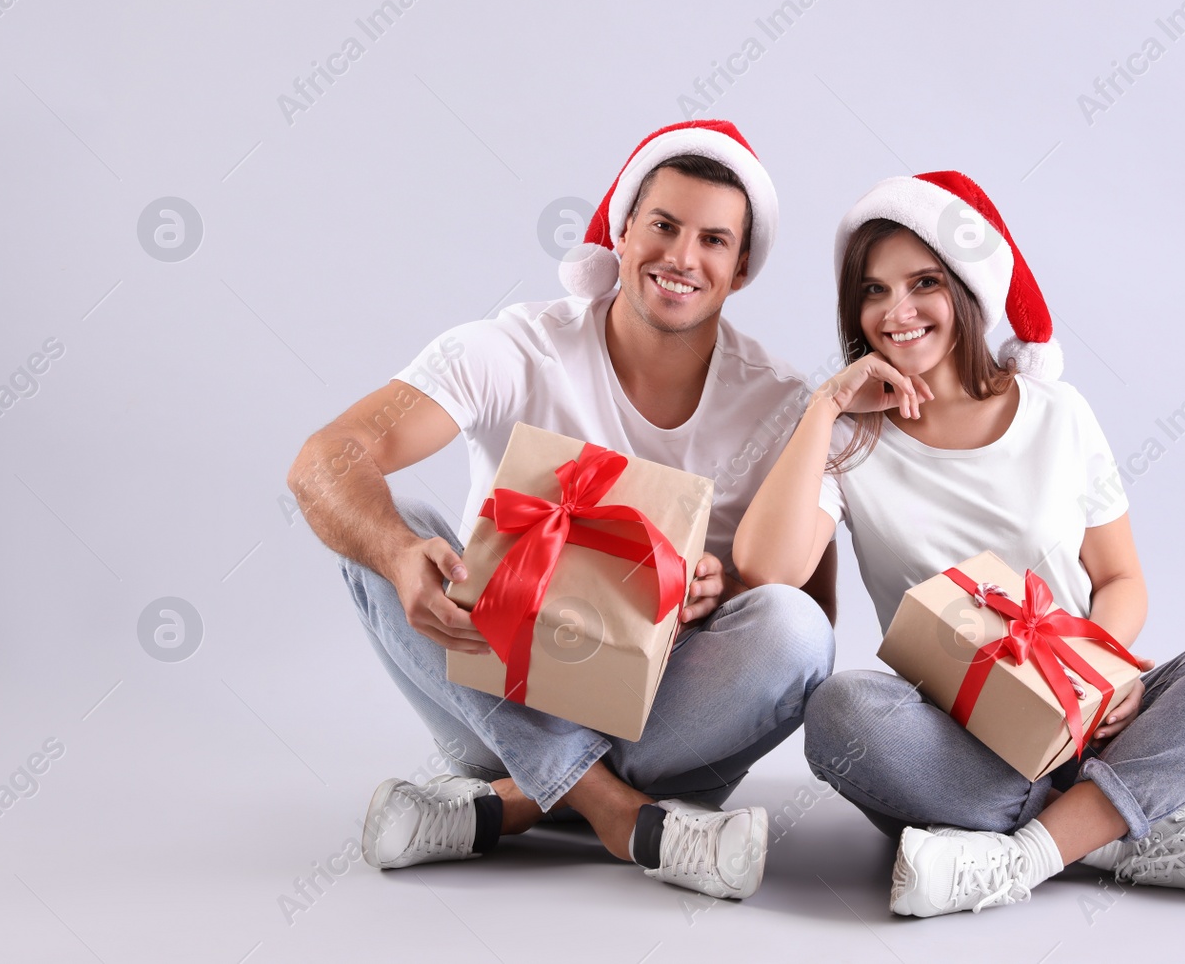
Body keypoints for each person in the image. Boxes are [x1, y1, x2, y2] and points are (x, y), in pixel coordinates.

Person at [733, 171, 1185, 917]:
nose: (897, 311)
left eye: (924, 284)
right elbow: (765, 569)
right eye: (873, 291)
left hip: (1095, 712)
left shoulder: (1056, 412)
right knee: (839, 710)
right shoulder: (848, 442)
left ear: (969, 293)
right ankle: (1113, 833)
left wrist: (1097, 675)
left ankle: (1019, 855)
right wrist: (824, 406)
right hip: (958, 745)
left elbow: (1121, 577)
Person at [289, 120, 837, 902]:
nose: (683, 257)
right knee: (388, 520)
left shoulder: (779, 404)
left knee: (794, 627)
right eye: (664, 225)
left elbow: (812, 622)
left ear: (741, 266)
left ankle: (514, 803)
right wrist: (395, 551)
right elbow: (323, 460)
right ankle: (625, 817)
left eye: (714, 239)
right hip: (497, 700)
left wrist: (732, 590)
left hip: (668, 722)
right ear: (620, 229)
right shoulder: (517, 347)